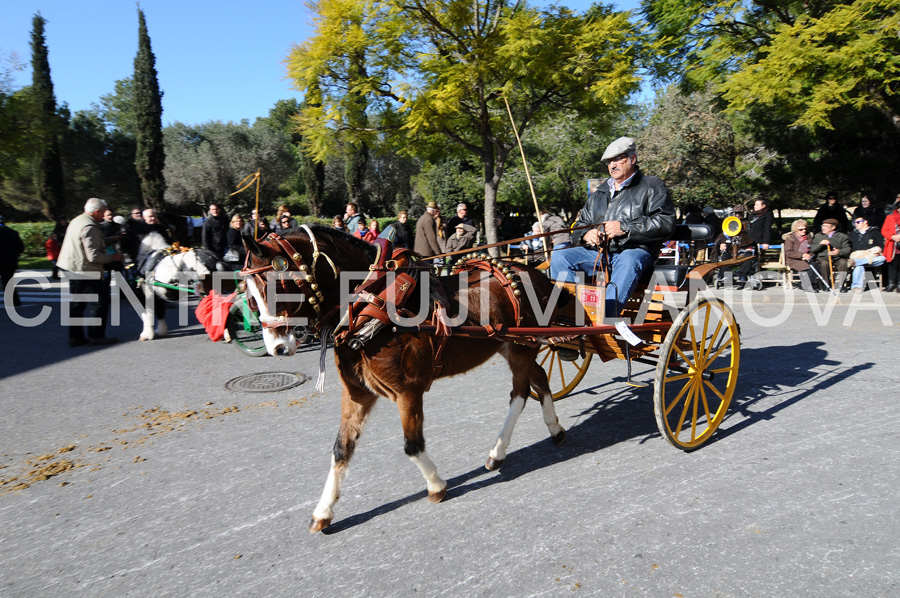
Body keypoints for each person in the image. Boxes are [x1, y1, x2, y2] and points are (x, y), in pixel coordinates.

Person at [550, 136, 675, 317]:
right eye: (609, 161)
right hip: (599, 254)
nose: (612, 165)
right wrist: (586, 234)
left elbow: (665, 222)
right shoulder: (599, 193)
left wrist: (625, 228)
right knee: (561, 255)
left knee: (629, 260)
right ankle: (572, 314)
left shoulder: (652, 185)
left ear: (632, 159)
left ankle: (604, 318)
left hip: (636, 250)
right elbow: (580, 224)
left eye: (618, 159)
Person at [56, 198, 125, 346]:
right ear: (97, 211)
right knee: (99, 303)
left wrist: (113, 239)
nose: (105, 215)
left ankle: (75, 337)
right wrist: (114, 257)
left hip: (72, 267)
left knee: (77, 304)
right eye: (103, 212)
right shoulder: (90, 226)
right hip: (85, 270)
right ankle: (96, 336)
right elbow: (94, 256)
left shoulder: (78, 220)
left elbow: (93, 242)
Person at [809, 218, 851, 290]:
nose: (823, 228)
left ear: (833, 227)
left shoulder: (842, 236)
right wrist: (820, 244)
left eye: (825, 226)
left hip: (838, 257)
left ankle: (842, 285)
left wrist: (838, 252)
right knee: (824, 264)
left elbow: (847, 249)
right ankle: (826, 284)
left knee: (843, 262)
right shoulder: (818, 236)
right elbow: (812, 249)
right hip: (824, 257)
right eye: (823, 226)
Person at [847, 215, 885, 293]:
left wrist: (878, 251)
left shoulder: (875, 232)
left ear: (865, 222)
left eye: (858, 222)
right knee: (859, 266)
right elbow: (848, 247)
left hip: (873, 256)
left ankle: (855, 262)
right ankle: (857, 287)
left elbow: (882, 246)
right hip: (858, 256)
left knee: (882, 259)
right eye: (855, 222)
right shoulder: (852, 234)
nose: (856, 224)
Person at [783, 219, 821, 293]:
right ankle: (808, 285)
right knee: (808, 266)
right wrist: (802, 255)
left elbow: (813, 249)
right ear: (795, 230)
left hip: (808, 258)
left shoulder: (809, 237)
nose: (804, 231)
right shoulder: (790, 239)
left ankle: (806, 284)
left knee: (815, 264)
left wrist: (809, 255)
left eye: (805, 229)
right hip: (795, 259)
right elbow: (788, 252)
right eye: (801, 229)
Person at [0, 215, 25, 307]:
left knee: (6, 282)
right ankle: (15, 300)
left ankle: (13, 300)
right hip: (11, 261)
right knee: (8, 281)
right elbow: (21, 247)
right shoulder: (13, 232)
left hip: (1, 261)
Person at [881, 200, 900, 292]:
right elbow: (884, 230)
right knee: (892, 265)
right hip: (893, 244)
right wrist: (892, 236)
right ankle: (891, 283)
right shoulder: (890, 217)